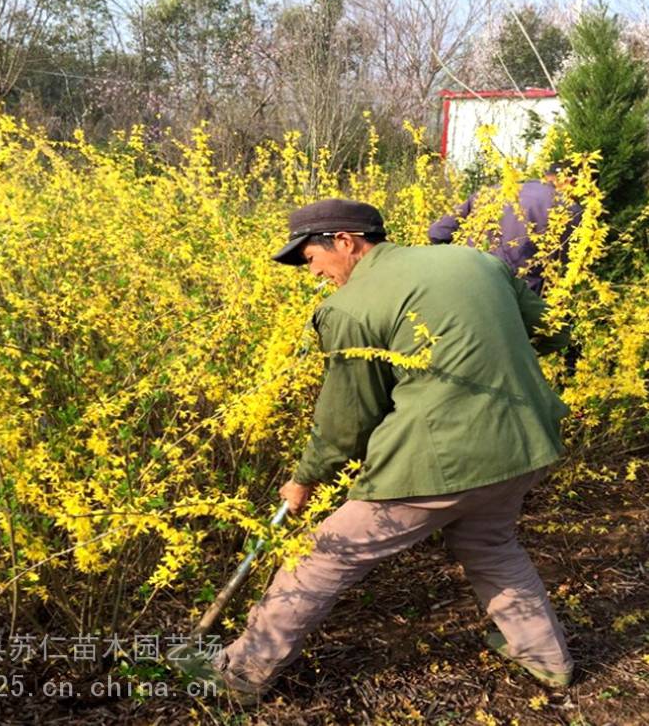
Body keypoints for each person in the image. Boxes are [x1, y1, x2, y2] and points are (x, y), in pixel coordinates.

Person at [177, 198, 574, 704]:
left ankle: (242, 673)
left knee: (321, 557)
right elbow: (553, 331)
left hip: (441, 462)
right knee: (491, 545)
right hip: (525, 444)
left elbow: (347, 419)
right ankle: (547, 657)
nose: (311, 271)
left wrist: (304, 479)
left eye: (311, 258)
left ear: (345, 241)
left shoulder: (348, 308)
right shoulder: (476, 260)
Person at [428, 162, 583, 296]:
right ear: (571, 180)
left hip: (462, 280)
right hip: (515, 300)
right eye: (585, 191)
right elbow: (566, 269)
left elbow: (437, 233)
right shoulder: (572, 210)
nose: (582, 198)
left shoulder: (491, 191)